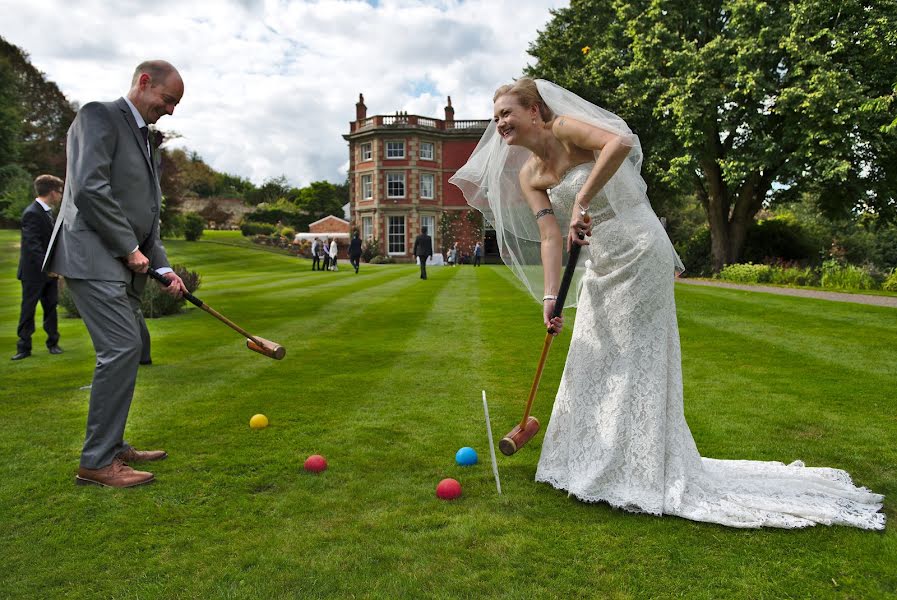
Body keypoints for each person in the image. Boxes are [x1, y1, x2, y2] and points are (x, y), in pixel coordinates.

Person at [450, 78, 884, 530]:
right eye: (495, 115)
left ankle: (639, 469)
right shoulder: (528, 175)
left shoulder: (565, 128)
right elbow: (549, 236)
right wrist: (550, 296)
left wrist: (582, 197)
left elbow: (620, 141)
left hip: (639, 248)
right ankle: (593, 464)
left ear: (535, 112)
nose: (499, 122)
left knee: (636, 356)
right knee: (593, 356)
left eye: (506, 112)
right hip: (602, 262)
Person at [44, 60, 188, 488]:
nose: (171, 110)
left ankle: (113, 446)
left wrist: (162, 267)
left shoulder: (148, 142)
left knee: (127, 348)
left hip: (118, 258)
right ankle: (97, 462)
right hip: (92, 254)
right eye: (168, 100)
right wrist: (128, 248)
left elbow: (147, 216)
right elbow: (90, 187)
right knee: (123, 347)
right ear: (144, 83)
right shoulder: (99, 115)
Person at [13, 174, 65, 361]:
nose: (60, 196)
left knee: (51, 308)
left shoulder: (47, 213)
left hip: (49, 272)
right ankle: (24, 347)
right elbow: (32, 245)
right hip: (33, 273)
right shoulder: (32, 213)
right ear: (52, 192)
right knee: (28, 309)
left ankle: (53, 343)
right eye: (59, 192)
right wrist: (47, 267)